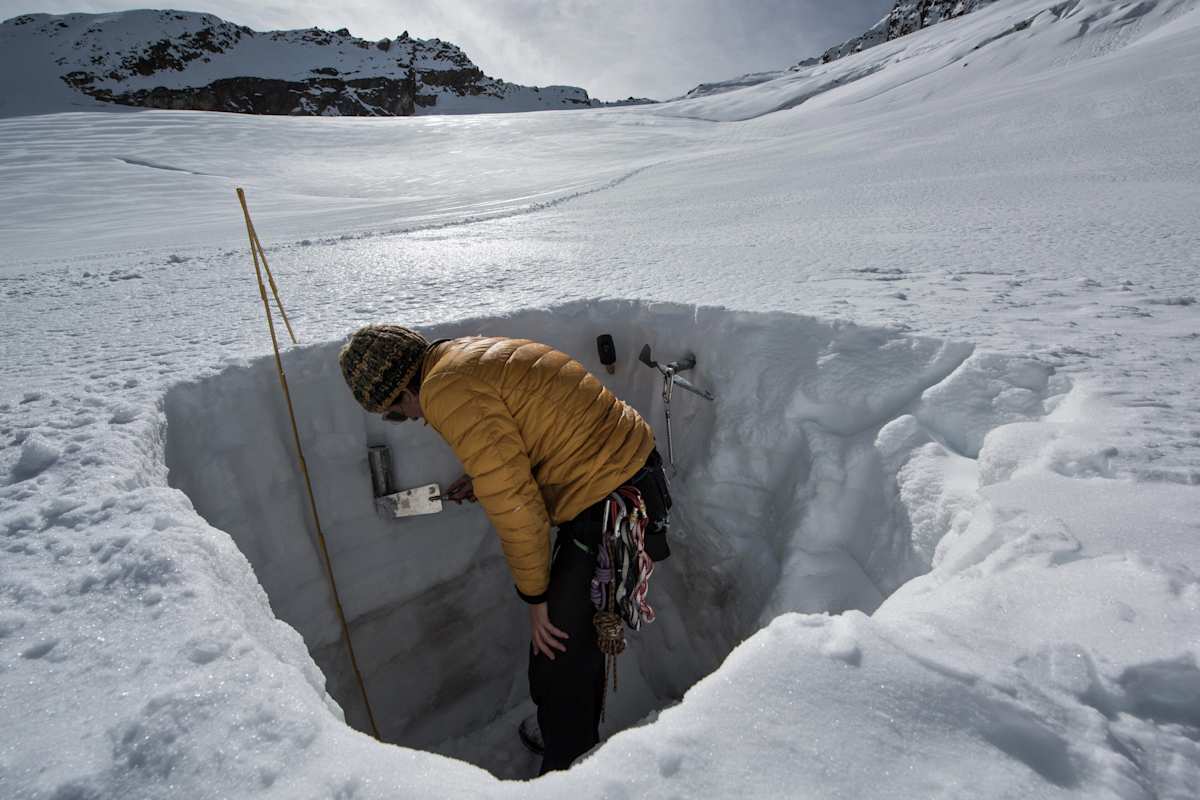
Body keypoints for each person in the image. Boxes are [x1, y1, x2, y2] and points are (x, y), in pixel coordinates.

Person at [338, 324, 671, 774]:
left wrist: (535, 599)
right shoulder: (461, 356)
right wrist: (484, 479)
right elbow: (527, 434)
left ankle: (567, 771)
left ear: (401, 387)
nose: (411, 419)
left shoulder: (444, 390)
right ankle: (563, 734)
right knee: (560, 647)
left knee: (558, 647)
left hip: (610, 496)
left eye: (396, 412)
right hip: (619, 464)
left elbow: (518, 509)